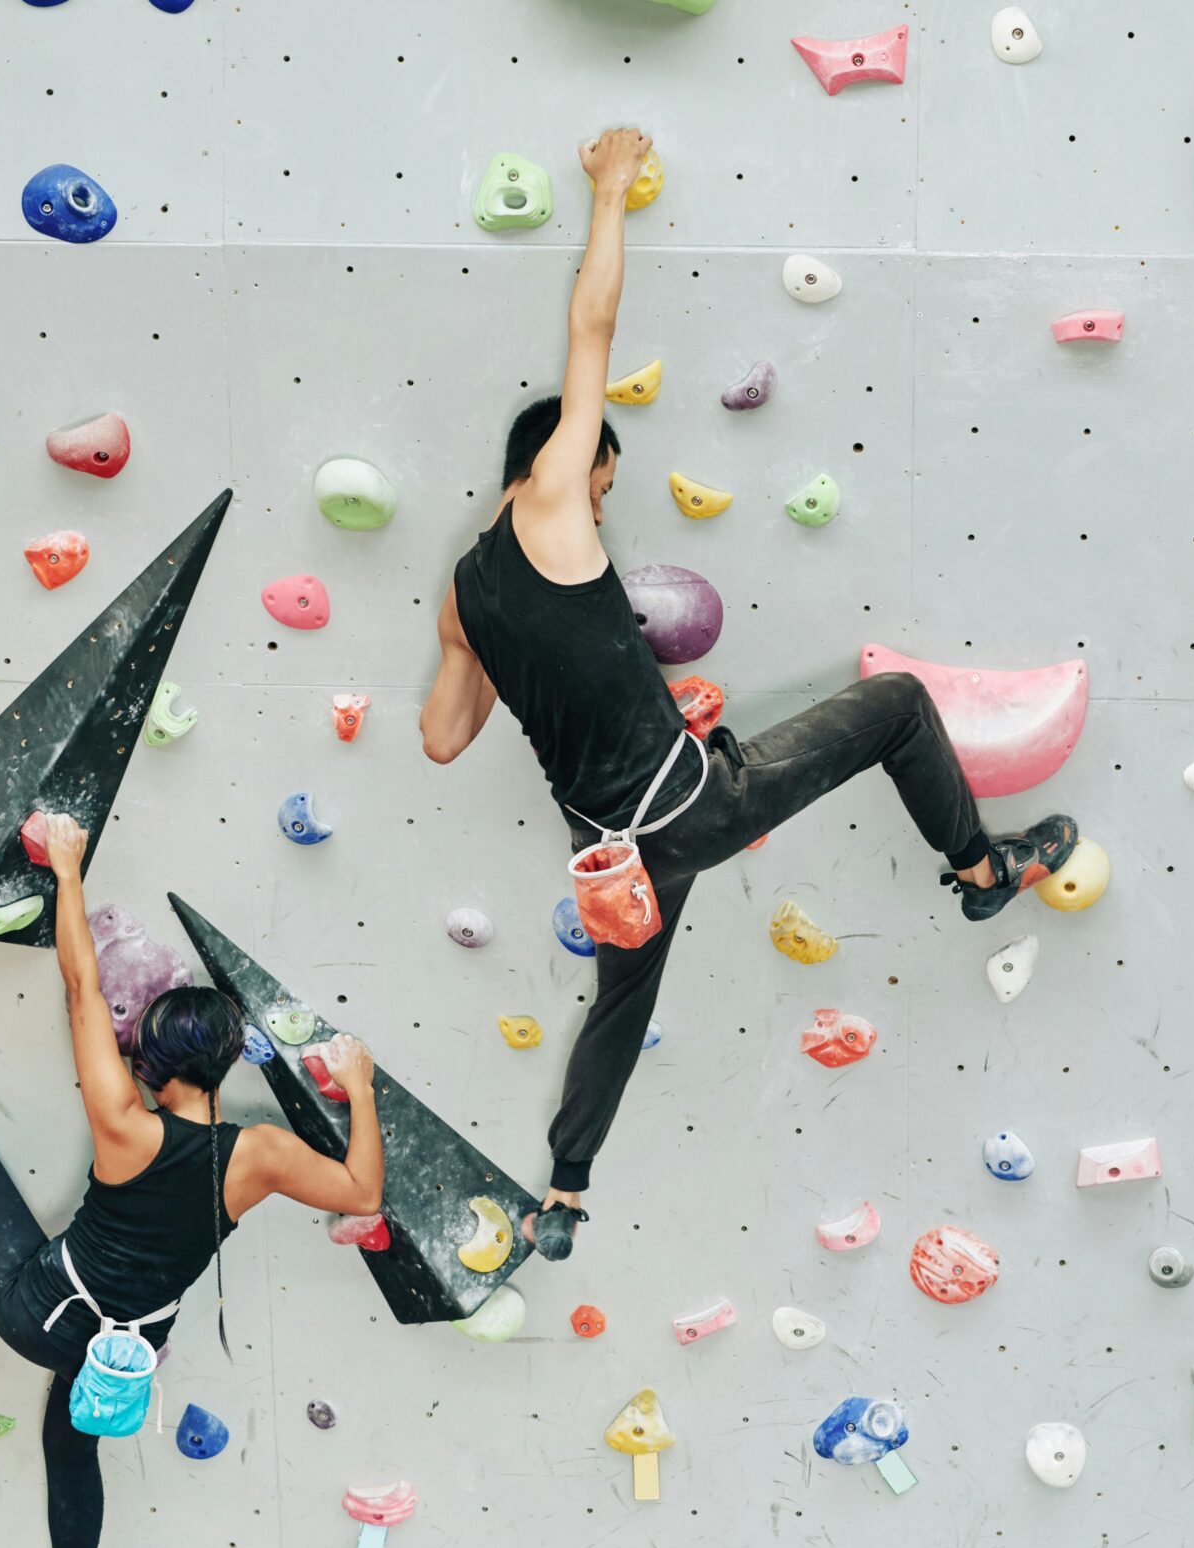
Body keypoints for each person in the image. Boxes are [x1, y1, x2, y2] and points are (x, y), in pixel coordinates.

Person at [419, 125, 1080, 1260]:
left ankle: (565, 1195)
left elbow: (442, 737)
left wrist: (497, 667)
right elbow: (591, 327)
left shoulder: (461, 599)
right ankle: (982, 868)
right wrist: (611, 193)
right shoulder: (556, 503)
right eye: (600, 483)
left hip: (616, 867)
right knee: (901, 710)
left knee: (619, 1007)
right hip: (694, 811)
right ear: (563, 467)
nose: (604, 510)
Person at [0, 813, 387, 1548]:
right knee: (72, 1444)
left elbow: (83, 988)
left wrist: (69, 874)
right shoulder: (256, 1156)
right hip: (127, 1350)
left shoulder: (127, 1127)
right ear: (223, 1065)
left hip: (39, 1312)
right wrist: (359, 1089)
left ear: (150, 1062)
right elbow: (362, 1189)